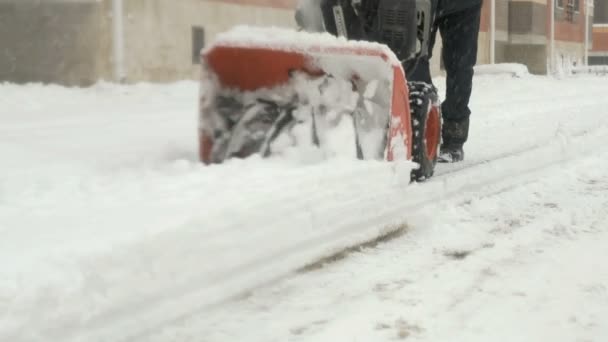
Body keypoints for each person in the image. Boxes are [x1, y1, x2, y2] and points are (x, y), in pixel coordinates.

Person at [409, 0, 482, 162]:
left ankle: (454, 136)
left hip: (464, 7)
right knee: (414, 57)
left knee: (460, 65)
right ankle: (420, 127)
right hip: (423, 3)